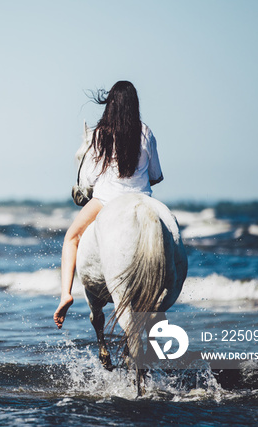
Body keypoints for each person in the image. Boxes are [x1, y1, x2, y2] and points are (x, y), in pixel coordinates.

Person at [53, 80, 164, 329]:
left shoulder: (101, 133)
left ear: (110, 105)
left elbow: (89, 180)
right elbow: (155, 175)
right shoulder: (146, 132)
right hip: (142, 199)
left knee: (71, 237)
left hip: (106, 200)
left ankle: (65, 294)